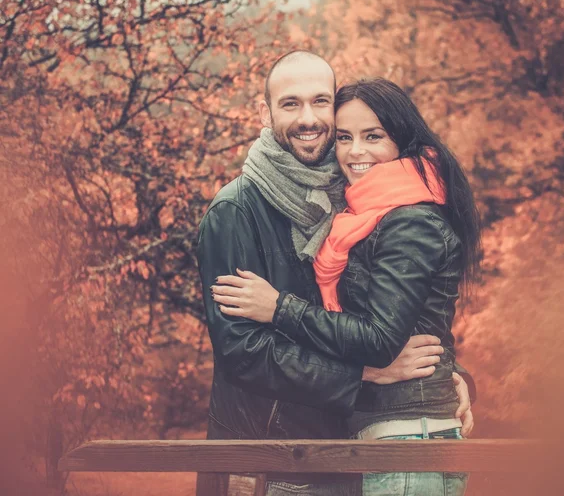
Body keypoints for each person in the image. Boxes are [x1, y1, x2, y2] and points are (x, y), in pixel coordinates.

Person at [197, 52, 474, 496]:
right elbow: (242, 352)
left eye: (320, 102)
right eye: (290, 104)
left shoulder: (356, 202)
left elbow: (384, 309)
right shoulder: (236, 211)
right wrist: (363, 372)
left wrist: (447, 375)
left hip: (346, 455)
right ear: (264, 112)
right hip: (269, 460)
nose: (308, 118)